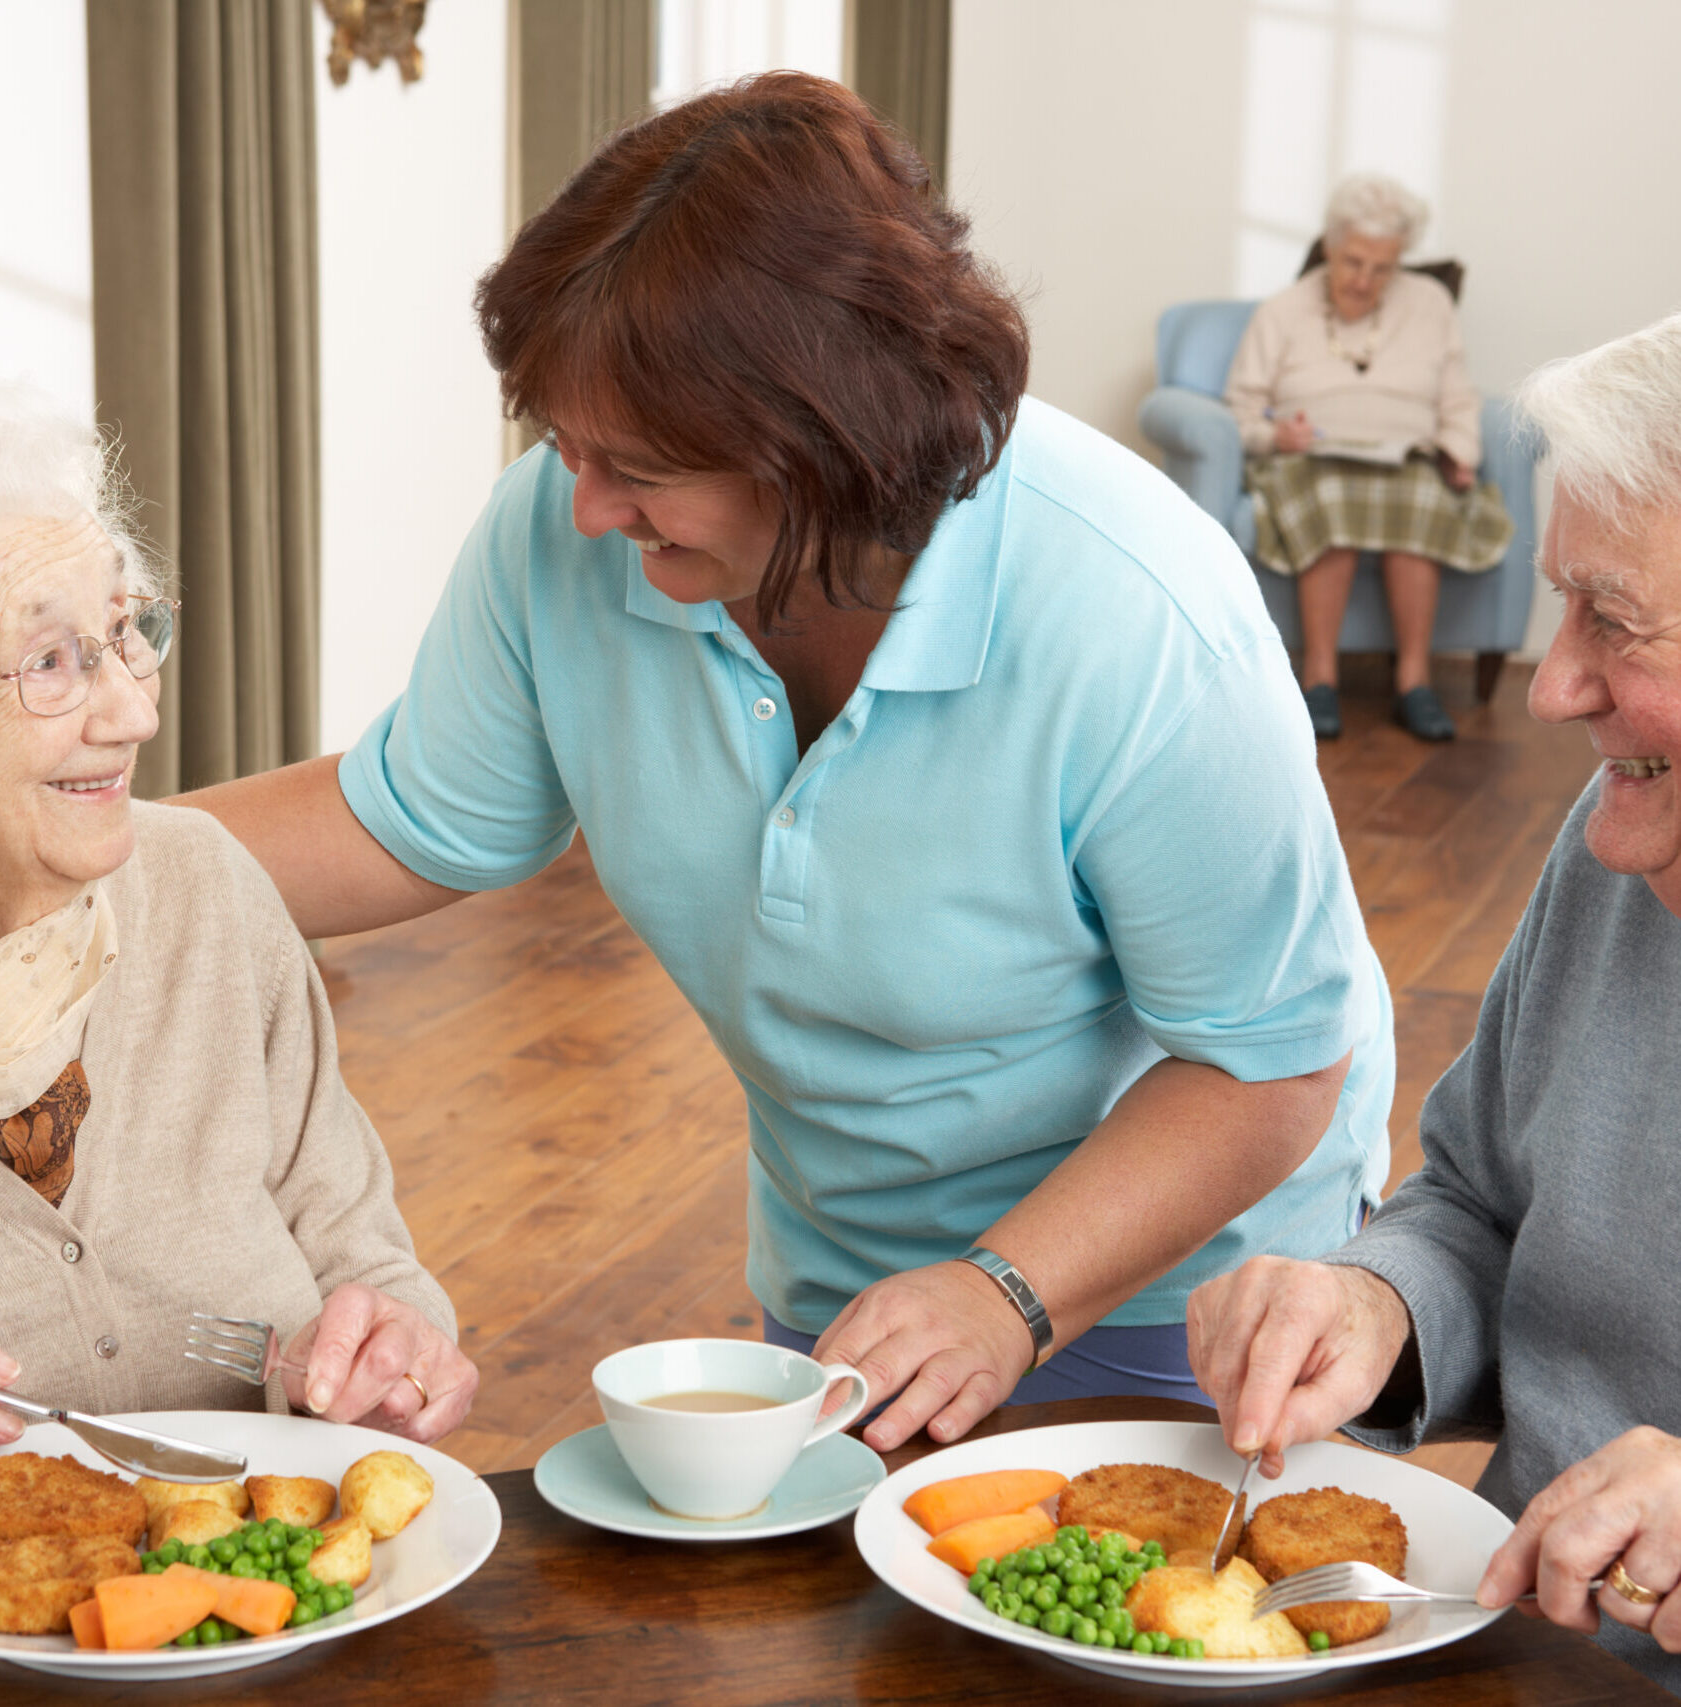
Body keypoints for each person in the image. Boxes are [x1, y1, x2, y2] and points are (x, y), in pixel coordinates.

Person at [184, 73, 1394, 1454]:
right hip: (850, 1277)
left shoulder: (1137, 614)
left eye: (636, 463)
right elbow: (401, 818)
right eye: (564, 446)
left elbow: (1267, 1064)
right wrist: (57, 856)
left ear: (826, 443)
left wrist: (1006, 1290)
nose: (581, 503)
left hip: (1186, 1290)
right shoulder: (573, 533)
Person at [1188, 312, 1681, 1690]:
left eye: (1612, 621)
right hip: (1521, 1648)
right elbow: (1470, 1196)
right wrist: (1373, 1306)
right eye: (1556, 603)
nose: (1552, 684)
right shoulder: (1616, 840)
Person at [0, 383, 477, 1448]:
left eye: (125, 635)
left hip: (278, 1590)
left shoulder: (202, 885)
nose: (136, 711)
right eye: (52, 661)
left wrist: (398, 1343)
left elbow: (363, 1255)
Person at [1225, 173, 1515, 742]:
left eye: (1382, 268)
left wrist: (1460, 452)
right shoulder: (1282, 311)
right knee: (1330, 496)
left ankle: (1414, 682)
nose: (1363, 280)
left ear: (1400, 260)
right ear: (1330, 247)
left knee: (1422, 497)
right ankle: (1320, 679)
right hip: (1309, 459)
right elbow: (1241, 407)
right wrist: (1273, 436)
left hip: (1406, 457)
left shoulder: (1429, 304)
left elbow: (1458, 395)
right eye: (1353, 261)